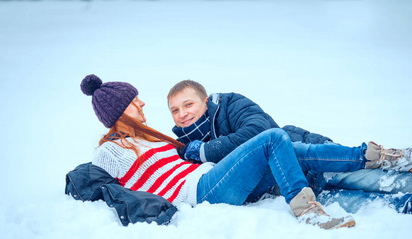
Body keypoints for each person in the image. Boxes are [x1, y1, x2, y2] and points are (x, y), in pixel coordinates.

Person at [81, 74, 369, 230]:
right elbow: (97, 183)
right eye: (134, 101)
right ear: (119, 111)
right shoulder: (110, 151)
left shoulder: (153, 140)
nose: (142, 104)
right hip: (202, 191)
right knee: (272, 138)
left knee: (287, 148)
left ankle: (367, 157)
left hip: (213, 178)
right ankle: (307, 211)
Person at [167, 80, 412, 227]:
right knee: (360, 203)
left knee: (382, 181)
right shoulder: (184, 151)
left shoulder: (229, 105)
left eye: (188, 104)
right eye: (175, 110)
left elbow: (258, 132)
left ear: (205, 101)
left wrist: (205, 151)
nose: (183, 114)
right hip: (295, 186)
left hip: (319, 160)